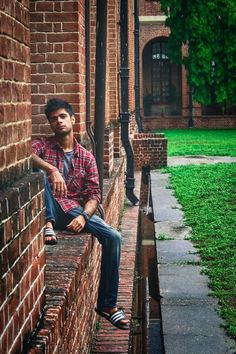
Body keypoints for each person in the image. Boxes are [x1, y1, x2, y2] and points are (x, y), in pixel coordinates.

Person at [32, 98, 129, 330]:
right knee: (39, 173)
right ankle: (48, 223)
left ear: (73, 119)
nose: (58, 121)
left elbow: (94, 195)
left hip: (74, 211)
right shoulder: (43, 145)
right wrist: (51, 169)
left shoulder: (86, 157)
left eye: (63, 116)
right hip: (50, 208)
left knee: (113, 237)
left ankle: (107, 305)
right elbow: (26, 155)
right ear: (50, 123)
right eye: (53, 119)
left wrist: (84, 217)